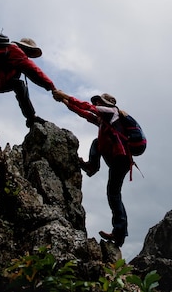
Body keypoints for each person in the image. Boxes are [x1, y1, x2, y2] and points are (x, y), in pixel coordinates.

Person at [52, 89, 130, 247]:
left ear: (107, 104)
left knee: (114, 194)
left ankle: (120, 232)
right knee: (97, 142)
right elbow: (83, 112)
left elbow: (87, 107)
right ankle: (91, 166)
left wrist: (64, 95)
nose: (96, 104)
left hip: (120, 160)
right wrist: (64, 101)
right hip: (116, 159)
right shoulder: (104, 121)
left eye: (99, 102)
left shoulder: (111, 112)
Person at [0, 37, 56, 155]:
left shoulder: (7, 50)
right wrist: (52, 87)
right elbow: (34, 71)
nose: (30, 55)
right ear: (26, 48)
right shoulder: (16, 51)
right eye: (30, 52)